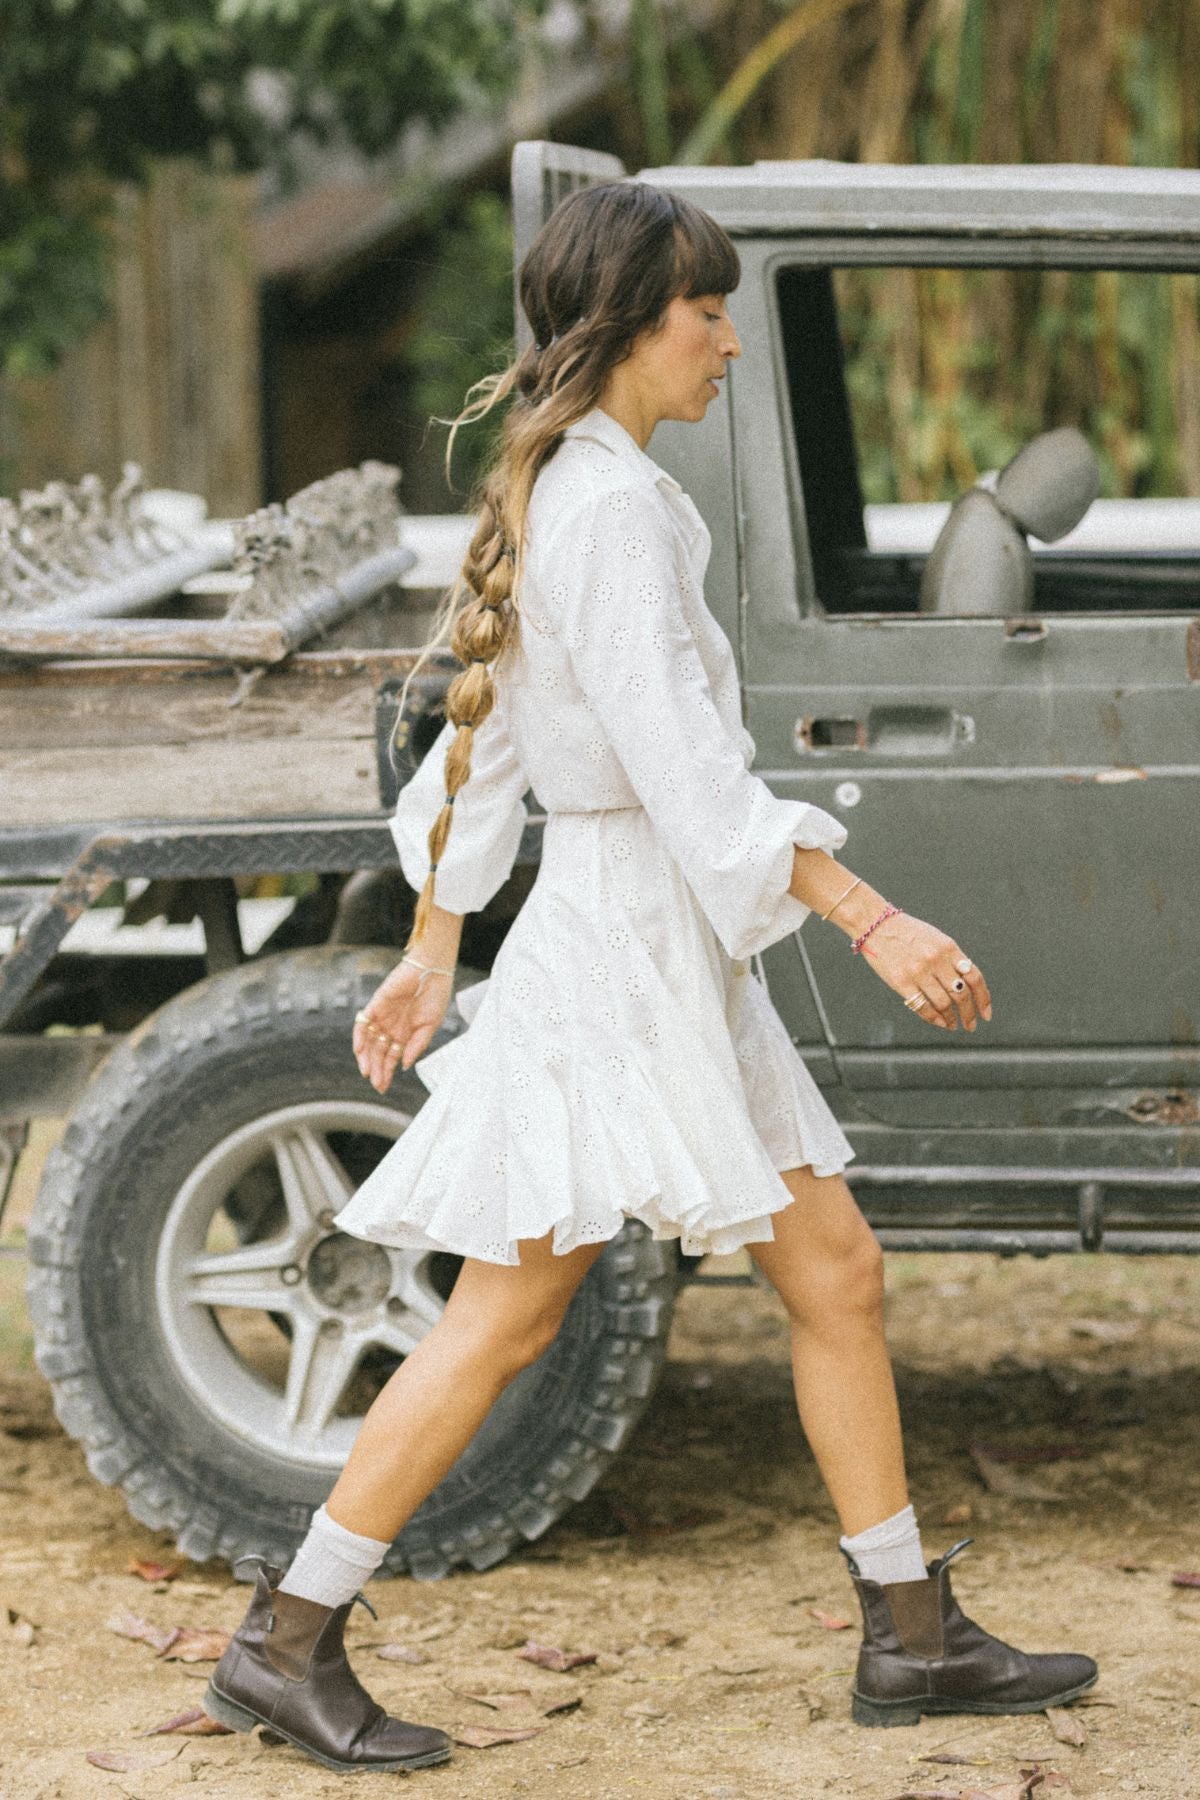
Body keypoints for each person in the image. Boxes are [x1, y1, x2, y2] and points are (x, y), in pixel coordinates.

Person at [204, 179, 1098, 1772]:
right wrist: (872, 915)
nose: (731, 346)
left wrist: (428, 949)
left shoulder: (598, 490)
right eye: (709, 313)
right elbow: (686, 780)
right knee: (509, 1312)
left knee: (835, 1272)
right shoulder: (605, 509)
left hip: (657, 936)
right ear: (630, 323)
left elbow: (488, 743)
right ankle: (286, 1636)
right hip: (621, 940)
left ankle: (906, 1632)